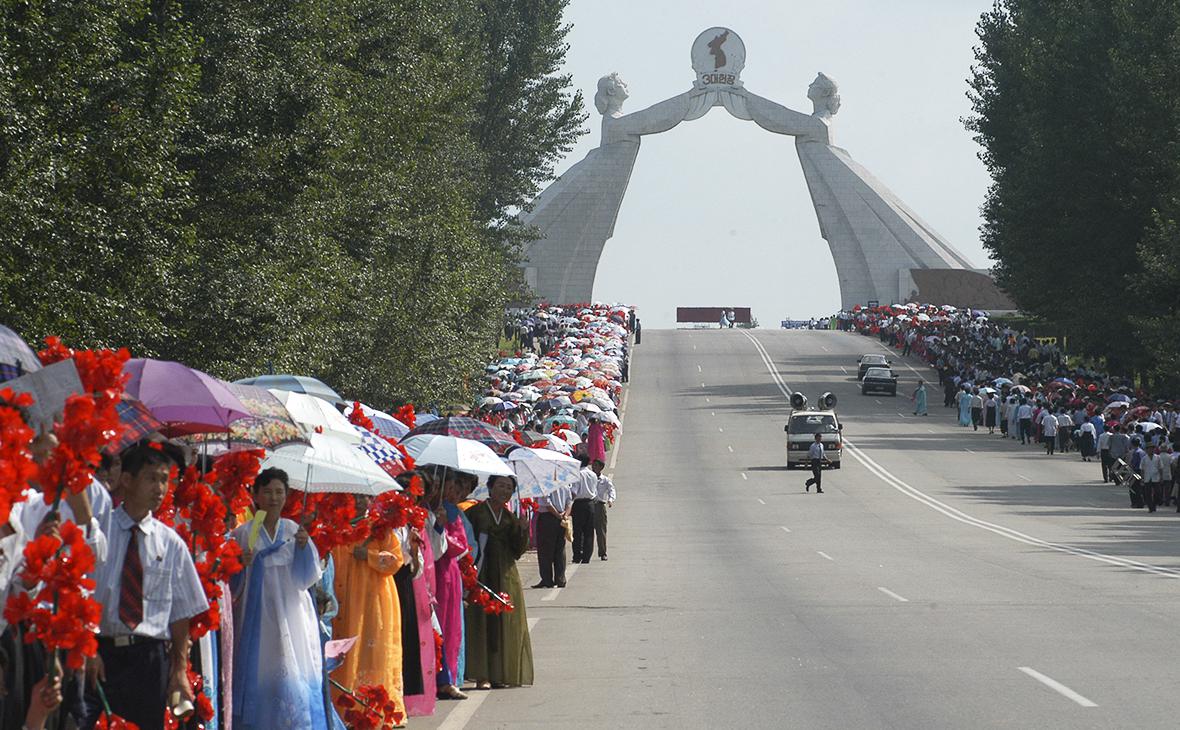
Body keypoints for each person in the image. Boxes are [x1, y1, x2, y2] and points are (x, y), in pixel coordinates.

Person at [82, 444, 209, 730]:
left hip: (148, 659)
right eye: (152, 478)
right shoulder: (99, 533)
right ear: (126, 480)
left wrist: (179, 670)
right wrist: (88, 649)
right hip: (101, 654)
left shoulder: (171, 543)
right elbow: (81, 594)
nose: (160, 488)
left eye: (165, 479)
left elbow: (181, 612)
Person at [230, 468, 326, 730]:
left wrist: (305, 548)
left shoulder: (294, 531)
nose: (274, 498)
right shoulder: (243, 533)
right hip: (256, 608)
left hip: (290, 609)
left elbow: (308, 577)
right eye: (268, 492)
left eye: (279, 492)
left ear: (286, 497)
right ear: (256, 495)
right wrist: (240, 563)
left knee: (292, 661)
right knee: (262, 665)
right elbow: (231, 581)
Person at [330, 493, 406, 720]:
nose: (360, 501)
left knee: (371, 648)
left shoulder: (380, 528)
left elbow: (396, 560)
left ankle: (373, 709)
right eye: (355, 497)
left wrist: (370, 555)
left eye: (364, 497)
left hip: (373, 598)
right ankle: (344, 708)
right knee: (345, 648)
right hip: (343, 595)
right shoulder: (337, 526)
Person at [464, 475, 534, 689]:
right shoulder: (474, 513)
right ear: (490, 487)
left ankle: (500, 673)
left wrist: (523, 530)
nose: (504, 491)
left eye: (509, 488)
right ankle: (482, 675)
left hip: (505, 575)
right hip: (481, 574)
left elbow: (517, 551)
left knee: (505, 623)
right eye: (500, 486)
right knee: (481, 623)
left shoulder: (511, 517)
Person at [533, 477, 570, 589]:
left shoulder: (545, 484)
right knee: (559, 549)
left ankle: (547, 579)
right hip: (561, 517)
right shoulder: (564, 484)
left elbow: (547, 503)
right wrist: (565, 514)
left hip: (548, 518)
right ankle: (560, 578)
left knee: (545, 550)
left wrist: (557, 515)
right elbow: (569, 501)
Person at [570, 456, 598, 564]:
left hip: (579, 504)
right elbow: (594, 490)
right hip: (590, 504)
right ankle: (587, 556)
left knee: (577, 531)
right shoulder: (593, 474)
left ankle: (577, 556)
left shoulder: (578, 474)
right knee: (589, 531)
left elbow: (574, 491)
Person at [592, 460, 615, 561]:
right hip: (590, 505)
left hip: (600, 506)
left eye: (596, 466)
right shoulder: (589, 478)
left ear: (601, 467)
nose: (593, 468)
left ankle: (603, 553)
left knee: (601, 531)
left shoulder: (605, 480)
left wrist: (610, 500)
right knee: (587, 531)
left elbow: (611, 490)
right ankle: (585, 553)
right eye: (593, 466)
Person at [1142, 444, 1163, 512]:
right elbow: (1142, 469)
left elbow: (1160, 468)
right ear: (1147, 450)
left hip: (1156, 477)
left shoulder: (1158, 457)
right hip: (1147, 477)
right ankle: (1150, 507)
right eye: (1149, 449)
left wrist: (1161, 477)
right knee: (1148, 493)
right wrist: (1142, 478)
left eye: (1152, 449)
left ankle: (1154, 504)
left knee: (1158, 492)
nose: (1151, 450)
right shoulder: (1144, 458)